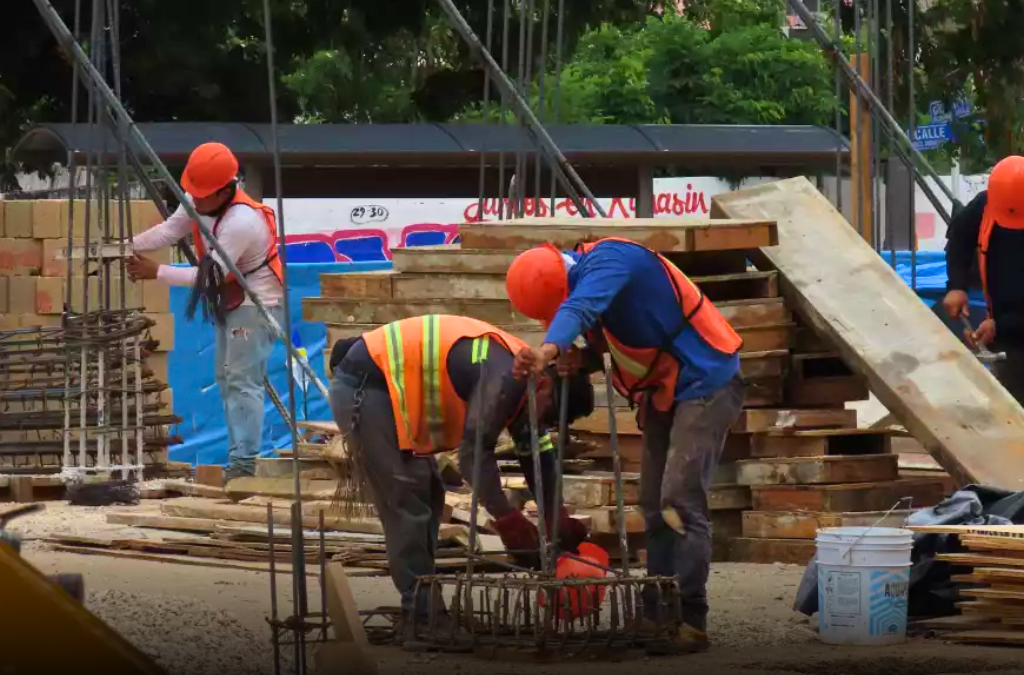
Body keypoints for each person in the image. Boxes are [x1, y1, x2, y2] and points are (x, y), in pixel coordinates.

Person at [504, 237, 745, 655]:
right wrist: (582, 359)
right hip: (665, 389)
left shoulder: (613, 258)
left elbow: (581, 307)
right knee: (653, 503)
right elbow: (619, 337)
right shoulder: (592, 284)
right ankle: (656, 613)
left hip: (706, 381)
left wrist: (547, 350)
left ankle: (692, 619)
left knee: (680, 500)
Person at [327, 314, 593, 649]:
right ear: (544, 386)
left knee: (430, 493)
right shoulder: (507, 379)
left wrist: (556, 514)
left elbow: (536, 454)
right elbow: (473, 454)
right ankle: (422, 617)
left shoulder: (528, 384)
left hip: (388, 387)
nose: (546, 425)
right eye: (550, 416)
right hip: (367, 385)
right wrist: (507, 519)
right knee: (407, 496)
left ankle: (428, 610)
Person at [125, 143, 284, 481]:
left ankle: (244, 465)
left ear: (225, 191)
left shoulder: (241, 222)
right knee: (227, 378)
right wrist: (127, 245)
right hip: (233, 299)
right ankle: (239, 460)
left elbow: (210, 278)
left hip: (256, 304)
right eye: (192, 194)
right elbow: (171, 230)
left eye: (201, 196)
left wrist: (157, 272)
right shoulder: (200, 196)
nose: (193, 202)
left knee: (242, 381)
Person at [942, 155, 1024, 404]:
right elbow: (959, 239)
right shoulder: (987, 205)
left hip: (1009, 325)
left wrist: (1001, 325)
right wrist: (956, 286)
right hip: (1005, 334)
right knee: (1010, 406)